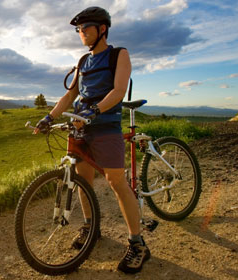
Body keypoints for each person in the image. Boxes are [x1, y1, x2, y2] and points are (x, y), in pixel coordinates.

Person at [34, 6, 150, 274]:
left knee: (116, 182)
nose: (81, 32)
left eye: (86, 28)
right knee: (82, 182)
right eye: (79, 29)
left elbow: (119, 90)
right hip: (81, 129)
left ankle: (138, 243)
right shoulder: (83, 61)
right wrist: (48, 118)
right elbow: (69, 96)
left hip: (105, 127)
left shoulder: (119, 55)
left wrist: (95, 110)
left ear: (102, 30)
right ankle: (91, 228)